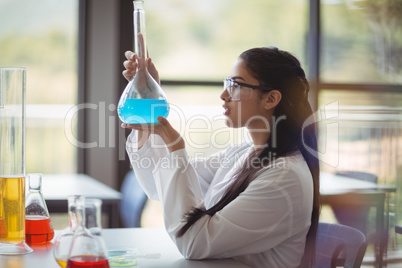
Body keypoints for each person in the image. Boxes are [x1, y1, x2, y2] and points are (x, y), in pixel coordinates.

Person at [121, 46, 320, 268]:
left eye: (236, 85)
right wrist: (149, 93)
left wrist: (175, 147)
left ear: (271, 98)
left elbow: (194, 243)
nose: (224, 94)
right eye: (228, 83)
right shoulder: (243, 153)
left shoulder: (284, 178)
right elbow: (157, 184)